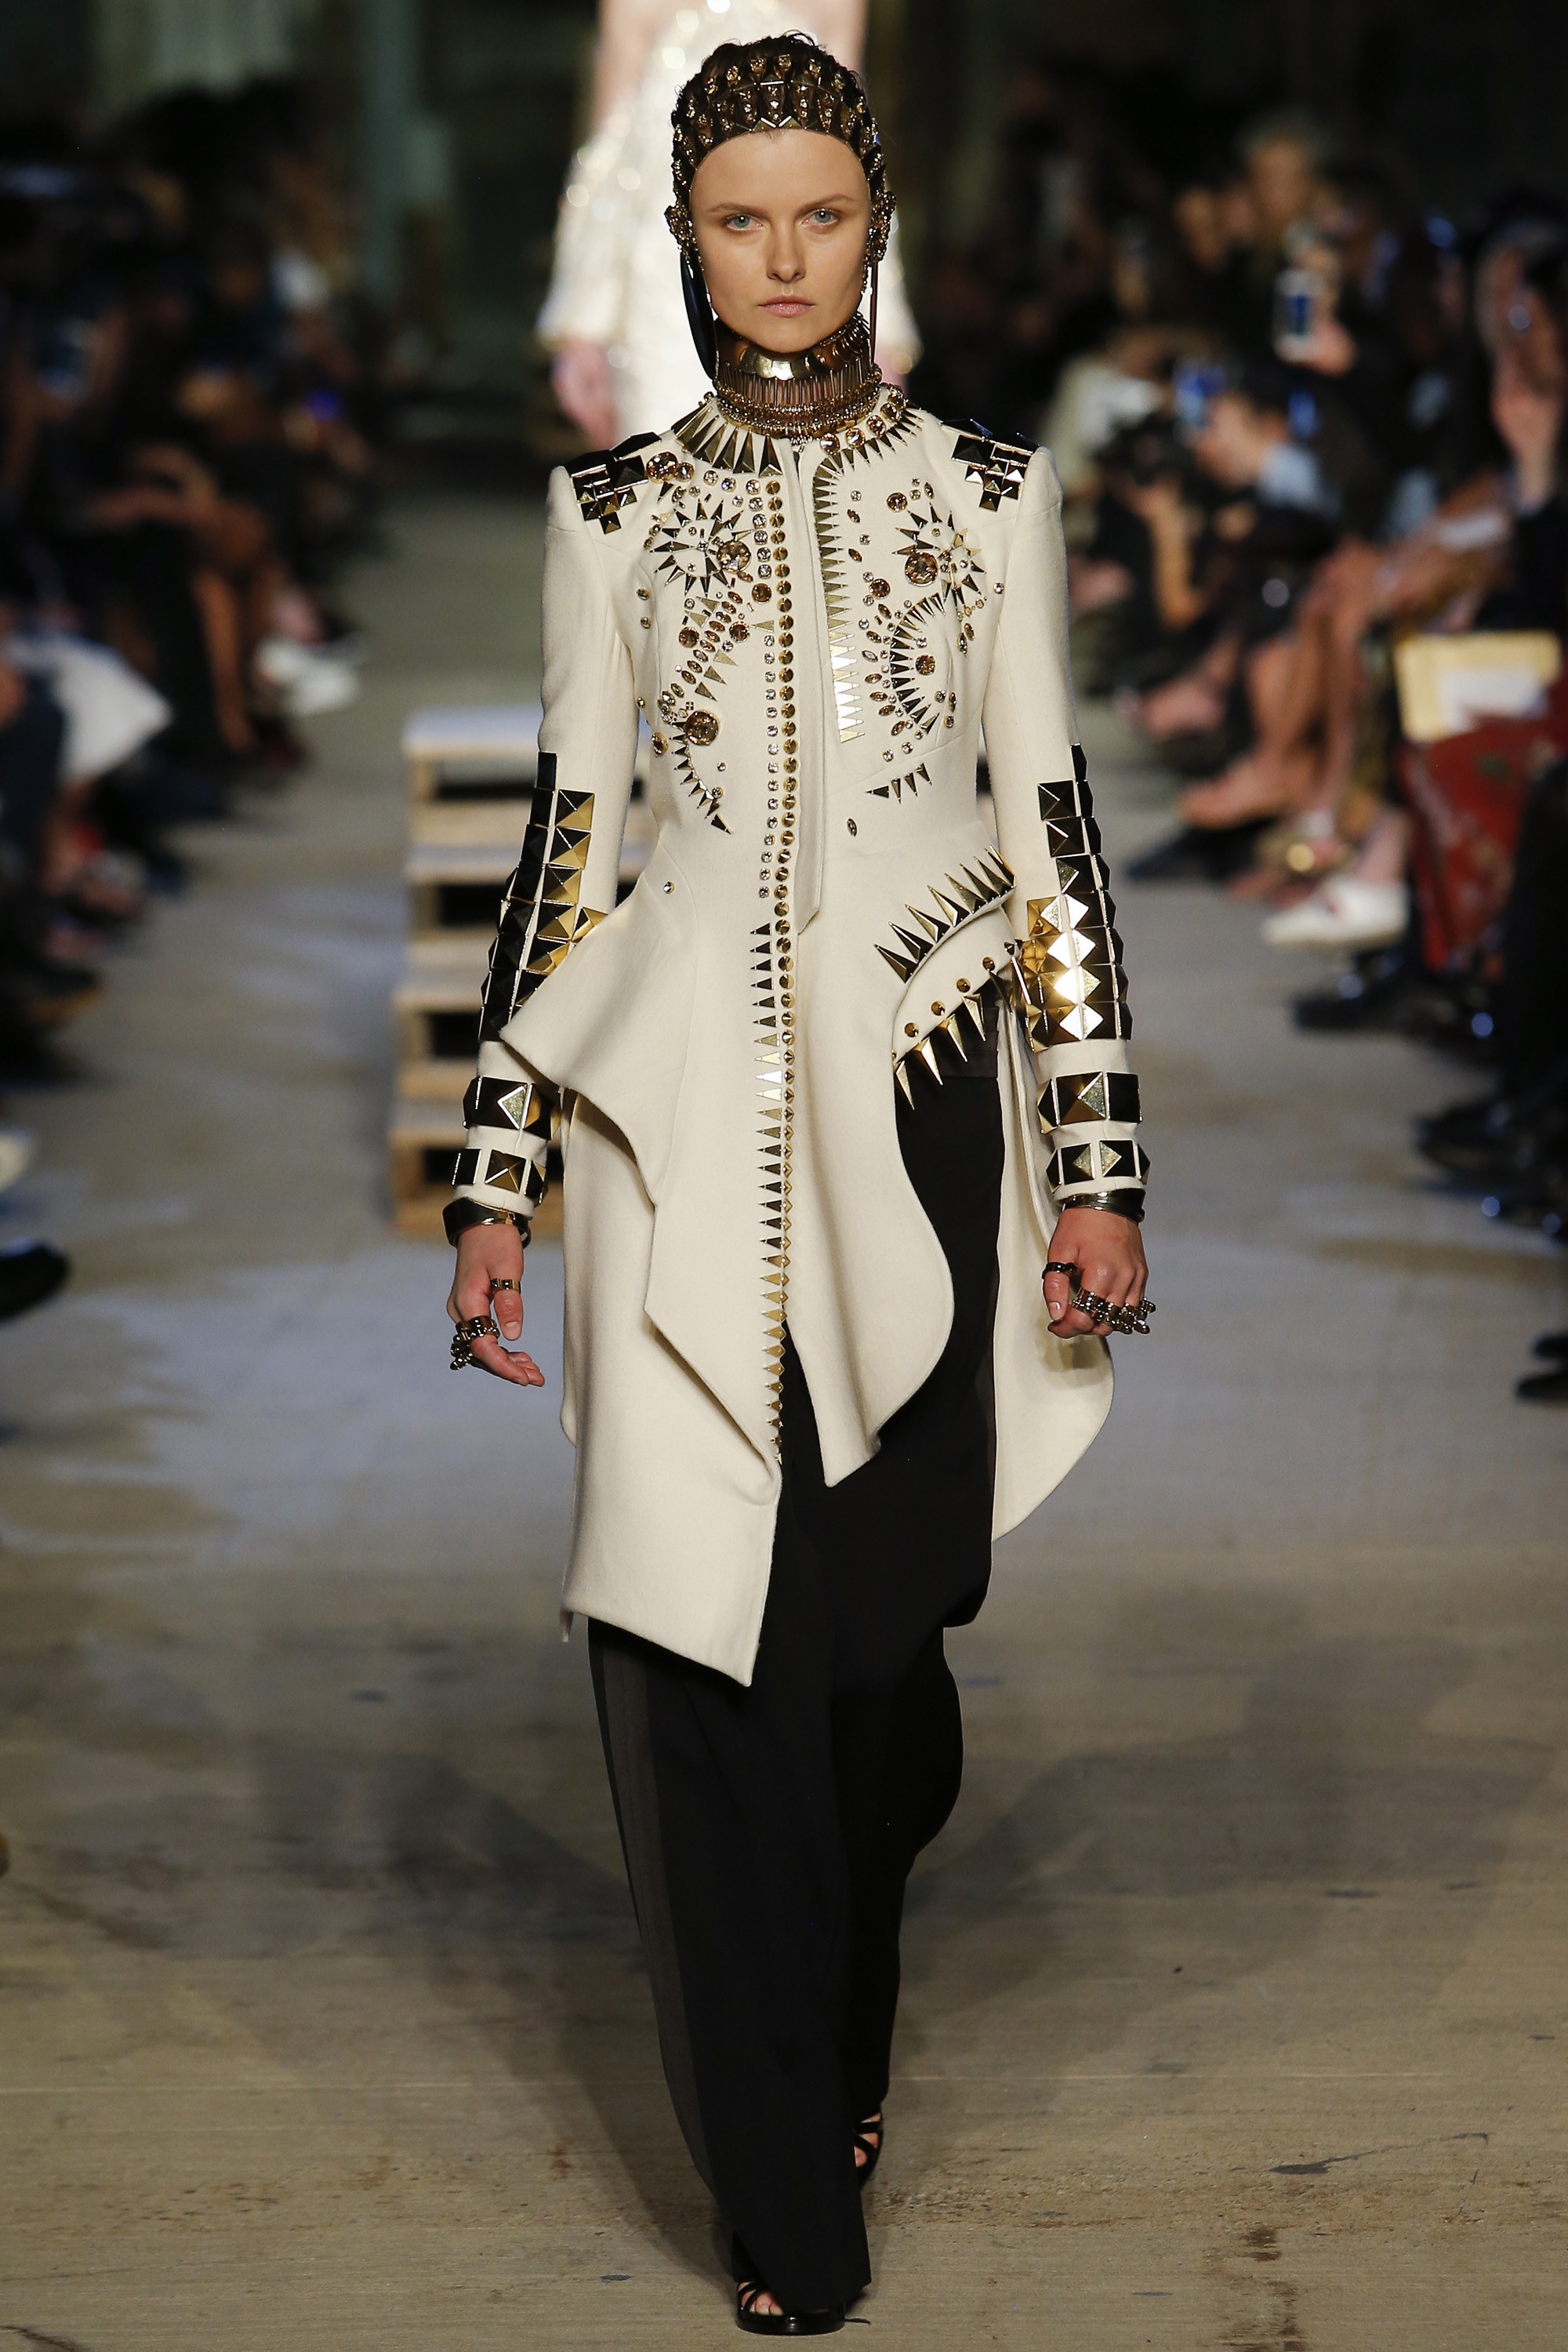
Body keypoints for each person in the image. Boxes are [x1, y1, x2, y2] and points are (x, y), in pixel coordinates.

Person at [444, 36, 1151, 2332]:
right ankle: (776, 2178)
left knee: (872, 1648)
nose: (778, 258)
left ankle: (843, 2001)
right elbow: (564, 850)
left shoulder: (992, 496)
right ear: (684, 237)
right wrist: (491, 1177)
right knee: (695, 1638)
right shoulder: (609, 516)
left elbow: (1052, 836)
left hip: (925, 1099)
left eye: (815, 218)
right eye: (737, 221)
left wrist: (1100, 1161)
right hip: (672, 1121)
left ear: (873, 231)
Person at [541, 0, 918, 445]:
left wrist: (881, 324)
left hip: (801, 276)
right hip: (667, 284)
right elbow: (608, 159)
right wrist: (584, 324)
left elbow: (854, 159)